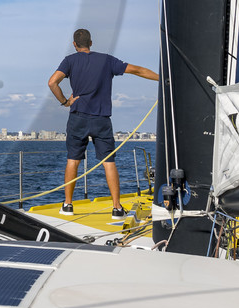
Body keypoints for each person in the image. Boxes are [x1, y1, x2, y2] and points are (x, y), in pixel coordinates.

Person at [47, 28, 159, 220]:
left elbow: (52, 83)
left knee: (73, 160)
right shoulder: (107, 60)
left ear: (74, 45)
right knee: (109, 162)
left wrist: (65, 102)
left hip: (78, 117)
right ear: (91, 43)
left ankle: (67, 205)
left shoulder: (69, 60)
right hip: (101, 119)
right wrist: (164, 79)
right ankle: (116, 208)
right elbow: (138, 70)